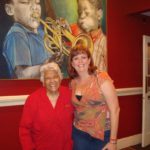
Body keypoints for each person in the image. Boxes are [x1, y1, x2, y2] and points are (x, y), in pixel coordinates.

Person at [68, 41, 120, 150]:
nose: (80, 61)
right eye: (76, 58)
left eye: (83, 57)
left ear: (89, 60)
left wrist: (113, 141)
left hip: (102, 134)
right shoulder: (73, 82)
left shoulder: (101, 78)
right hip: (79, 134)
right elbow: (77, 107)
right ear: (72, 63)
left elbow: (115, 110)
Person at [19, 62, 73, 150]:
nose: (52, 81)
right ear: (43, 81)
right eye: (48, 78)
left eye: (55, 77)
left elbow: (80, 116)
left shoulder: (69, 94)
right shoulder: (33, 100)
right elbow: (24, 129)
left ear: (60, 78)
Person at [3, 0, 52, 78]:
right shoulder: (16, 35)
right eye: (25, 2)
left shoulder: (41, 33)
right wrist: (49, 67)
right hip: (30, 88)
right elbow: (22, 74)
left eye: (37, 2)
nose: (35, 7)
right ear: (9, 9)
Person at [77, 0, 107, 71]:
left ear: (99, 14)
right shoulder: (81, 41)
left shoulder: (105, 43)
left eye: (86, 13)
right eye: (80, 13)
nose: (81, 16)